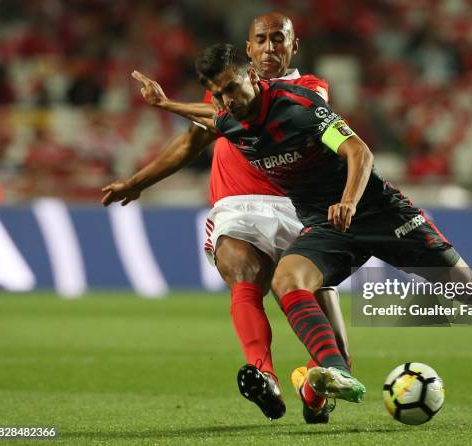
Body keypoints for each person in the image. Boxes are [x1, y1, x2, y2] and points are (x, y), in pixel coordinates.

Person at [165, 42, 472, 411]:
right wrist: (166, 104)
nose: (226, 101)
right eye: (218, 94)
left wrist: (348, 200)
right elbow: (209, 118)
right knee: (288, 280)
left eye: (231, 89)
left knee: (469, 290)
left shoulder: (299, 106)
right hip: (328, 225)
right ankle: (335, 369)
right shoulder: (229, 119)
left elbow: (358, 151)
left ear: (252, 75)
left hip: (378, 211)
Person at [101, 13, 348, 423]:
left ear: (294, 47)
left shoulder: (309, 88)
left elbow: (258, 106)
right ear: (248, 49)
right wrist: (137, 182)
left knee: (338, 358)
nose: (270, 47)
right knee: (243, 271)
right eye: (261, 40)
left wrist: (171, 103)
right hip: (239, 207)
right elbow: (189, 144)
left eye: (279, 39)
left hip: (299, 213)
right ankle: (262, 373)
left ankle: (312, 391)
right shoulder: (225, 95)